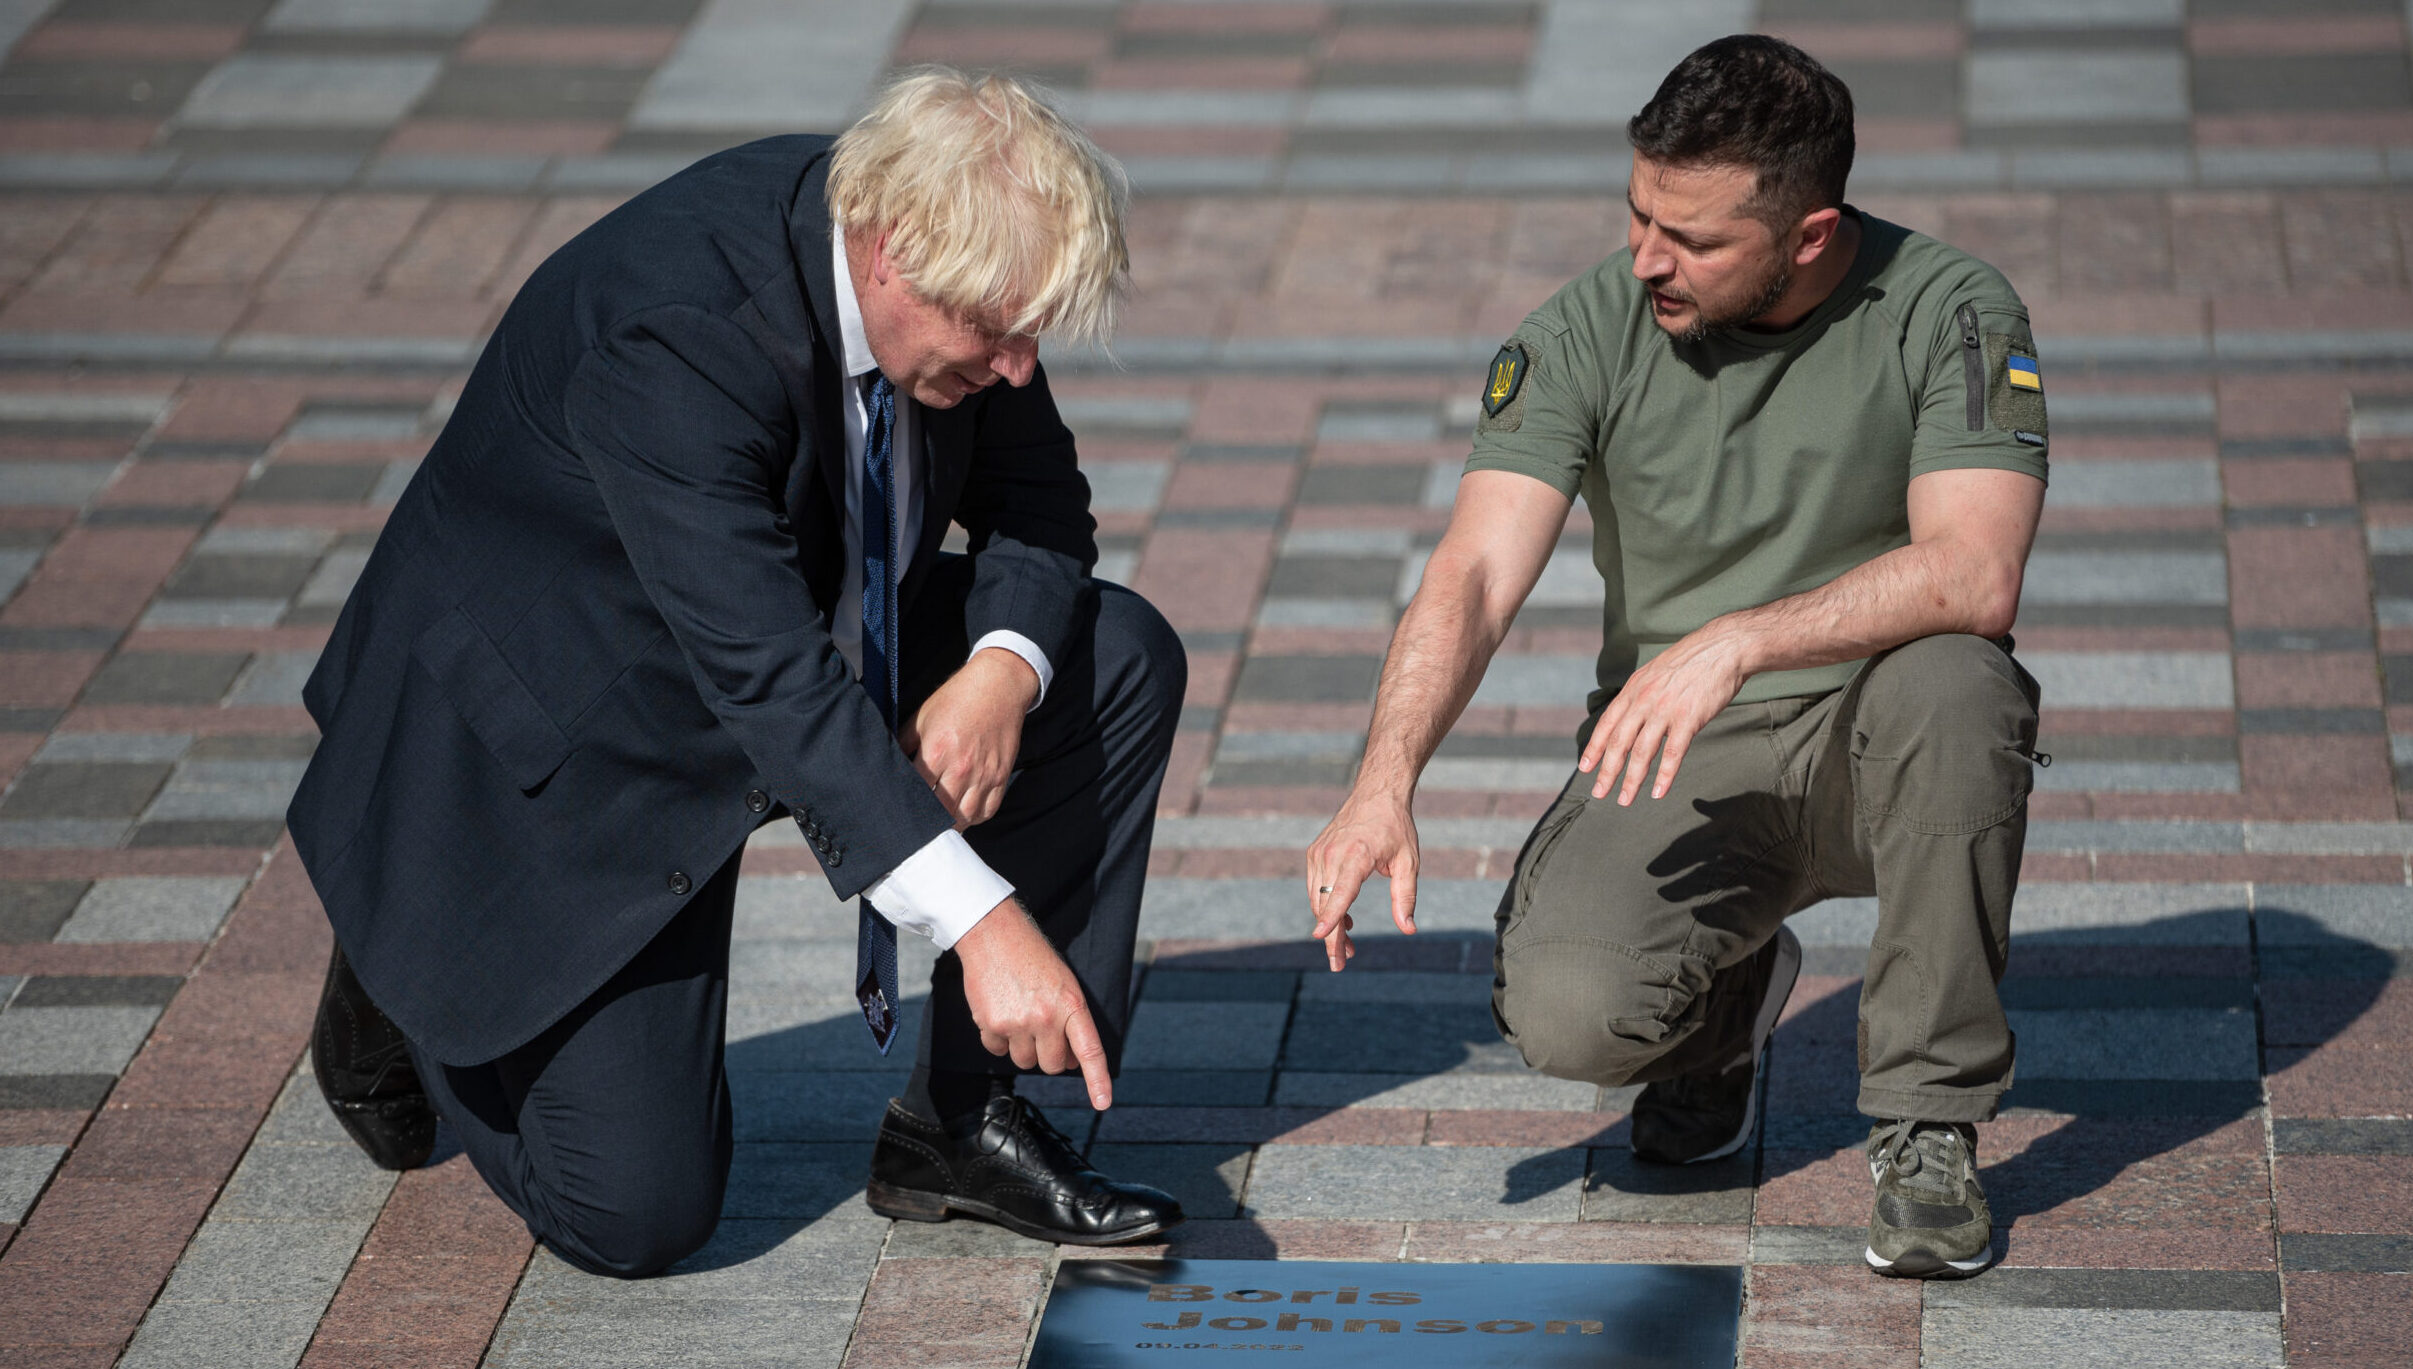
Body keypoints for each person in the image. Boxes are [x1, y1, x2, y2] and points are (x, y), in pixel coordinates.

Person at [289, 69, 1187, 1277]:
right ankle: (405, 961)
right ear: (892, 255)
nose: (1024, 368)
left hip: (779, 639)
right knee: (637, 1215)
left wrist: (999, 674)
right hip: (569, 727)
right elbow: (768, 680)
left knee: (1113, 655)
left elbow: (1040, 503)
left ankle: (962, 1128)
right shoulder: (681, 336)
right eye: (1000, 331)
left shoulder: (951, 261)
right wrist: (984, 919)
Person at [1304, 36, 2049, 1280]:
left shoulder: (1950, 309)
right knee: (1564, 1012)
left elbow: (1975, 571)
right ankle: (1722, 1021)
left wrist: (1739, 636)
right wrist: (1385, 780)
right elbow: (1477, 571)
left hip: (1882, 742)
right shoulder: (1589, 326)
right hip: (1678, 751)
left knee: (1960, 685)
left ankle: (1927, 1125)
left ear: (1811, 235)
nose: (1650, 256)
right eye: (1640, 212)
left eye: (1694, 238)